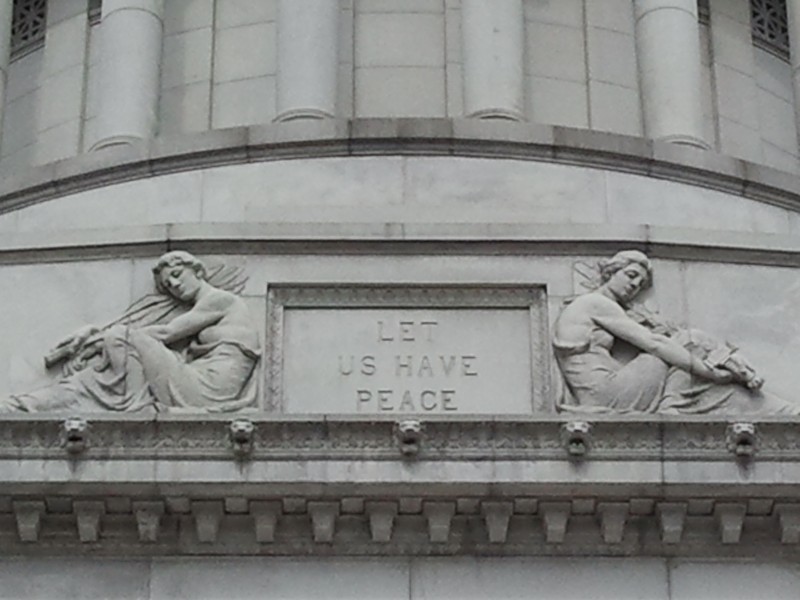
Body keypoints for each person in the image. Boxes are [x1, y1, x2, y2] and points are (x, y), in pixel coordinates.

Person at [2, 251, 260, 413]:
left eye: (178, 275)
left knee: (121, 338)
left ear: (199, 271)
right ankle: (22, 405)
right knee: (88, 382)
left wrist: (99, 338)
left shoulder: (220, 300)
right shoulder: (206, 306)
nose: (175, 285)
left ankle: (133, 406)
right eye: (169, 285)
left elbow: (167, 332)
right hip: (198, 381)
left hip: (208, 388)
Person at [553, 250, 798, 414]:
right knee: (687, 340)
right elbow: (654, 343)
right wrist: (707, 372)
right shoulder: (594, 303)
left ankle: (689, 395)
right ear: (610, 272)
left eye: (639, 284)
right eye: (630, 275)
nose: (633, 285)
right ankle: (738, 373)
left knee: (695, 361)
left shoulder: (606, 309)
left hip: (604, 392)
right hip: (606, 395)